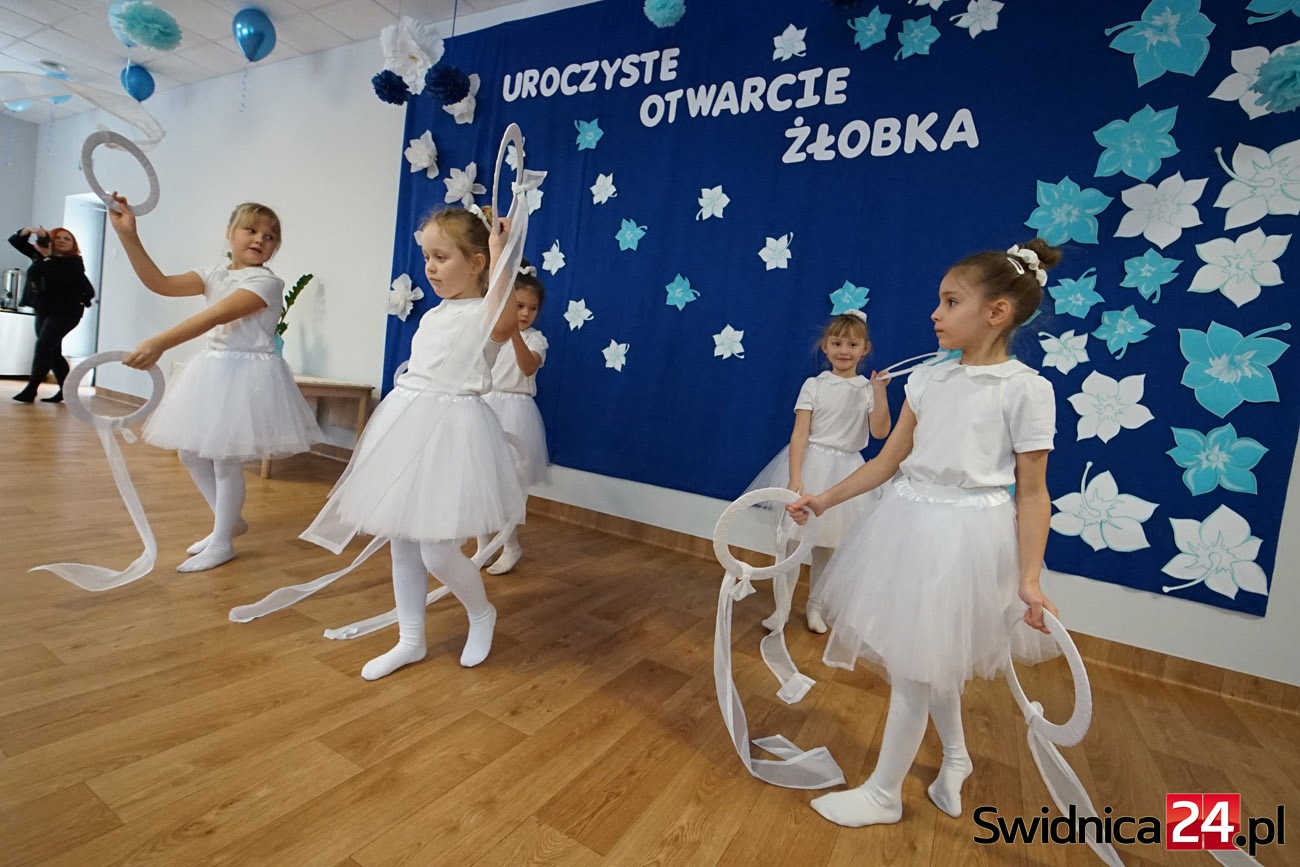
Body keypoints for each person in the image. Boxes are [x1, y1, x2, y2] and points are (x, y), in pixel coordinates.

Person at [787, 239, 1061, 828]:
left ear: (997, 312)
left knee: (917, 667)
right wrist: (823, 499)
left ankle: (883, 794)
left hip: (966, 536)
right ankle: (956, 756)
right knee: (927, 652)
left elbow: (1033, 493)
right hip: (910, 521)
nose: (935, 313)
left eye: (950, 301)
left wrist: (1029, 579)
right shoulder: (930, 380)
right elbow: (886, 463)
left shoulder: (1025, 389)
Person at [301, 207, 525, 681]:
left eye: (441, 257)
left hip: (454, 433)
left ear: (477, 263)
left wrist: (501, 251)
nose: (430, 267)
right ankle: (411, 639)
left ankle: (482, 613)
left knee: (438, 551)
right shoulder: (437, 312)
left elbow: (506, 322)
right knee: (401, 541)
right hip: (408, 424)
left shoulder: (486, 313)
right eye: (427, 257)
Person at [107, 196, 322, 572]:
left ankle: (223, 542)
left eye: (270, 237)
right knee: (191, 454)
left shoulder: (267, 282)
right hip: (215, 368)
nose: (260, 240)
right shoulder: (214, 274)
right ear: (230, 233)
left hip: (249, 373)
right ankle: (230, 521)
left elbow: (215, 316)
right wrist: (128, 235)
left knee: (225, 459)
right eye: (251, 230)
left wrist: (159, 343)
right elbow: (159, 283)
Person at [746, 310, 891, 633]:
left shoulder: (867, 390)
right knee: (791, 543)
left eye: (852, 344)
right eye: (837, 343)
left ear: (865, 349)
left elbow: (880, 432)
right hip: (811, 466)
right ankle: (782, 609)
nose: (844, 350)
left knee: (830, 546)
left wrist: (880, 391)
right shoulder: (814, 385)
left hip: (846, 474)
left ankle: (816, 607)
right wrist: (795, 477)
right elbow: (800, 434)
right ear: (825, 346)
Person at [476, 262, 550, 575]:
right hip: (487, 406)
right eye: (518, 306)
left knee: (511, 486)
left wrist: (514, 332)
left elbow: (528, 367)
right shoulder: (490, 333)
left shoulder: (536, 340)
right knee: (480, 481)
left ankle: (511, 545)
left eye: (532, 308)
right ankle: (483, 545)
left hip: (517, 412)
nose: (525, 313)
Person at [7, 226, 95, 403]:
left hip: (67, 311)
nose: (62, 240)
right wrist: (30, 230)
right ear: (51, 240)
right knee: (52, 351)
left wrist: (47, 257)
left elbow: (58, 278)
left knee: (44, 345)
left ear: (73, 245)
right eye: (58, 237)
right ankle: (67, 391)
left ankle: (31, 389)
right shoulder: (39, 255)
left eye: (67, 238)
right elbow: (15, 241)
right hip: (44, 309)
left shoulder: (74, 262)